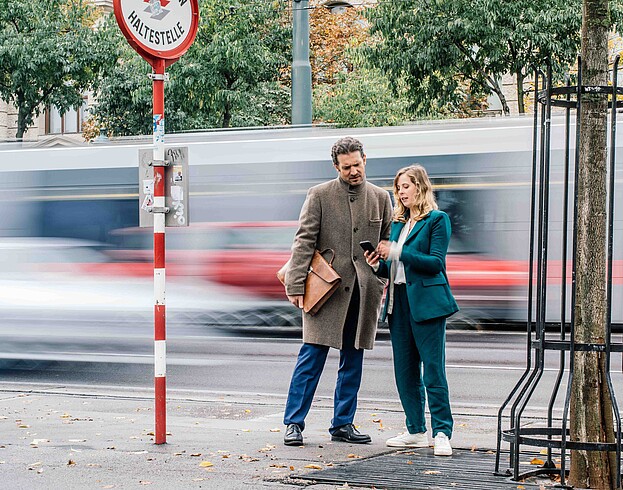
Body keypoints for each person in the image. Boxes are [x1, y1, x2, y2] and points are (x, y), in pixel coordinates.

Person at [282, 136, 392, 446]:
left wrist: (380, 263)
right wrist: (295, 283)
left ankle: (343, 424)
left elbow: (385, 241)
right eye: (346, 167)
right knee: (312, 356)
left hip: (363, 290)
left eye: (357, 164)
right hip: (325, 291)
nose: (353, 171)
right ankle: (293, 423)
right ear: (336, 167)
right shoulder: (319, 195)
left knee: (353, 359)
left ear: (365, 160)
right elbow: (303, 241)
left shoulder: (381, 197)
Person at [365, 164, 459, 456]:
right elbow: (393, 266)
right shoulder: (396, 225)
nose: (401, 192)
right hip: (397, 301)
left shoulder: (436, 220)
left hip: (427, 305)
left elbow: (435, 263)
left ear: (420, 186)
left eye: (405, 186)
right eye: (398, 188)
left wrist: (398, 252)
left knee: (433, 370)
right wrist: (378, 262)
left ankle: (442, 432)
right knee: (405, 372)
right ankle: (416, 430)